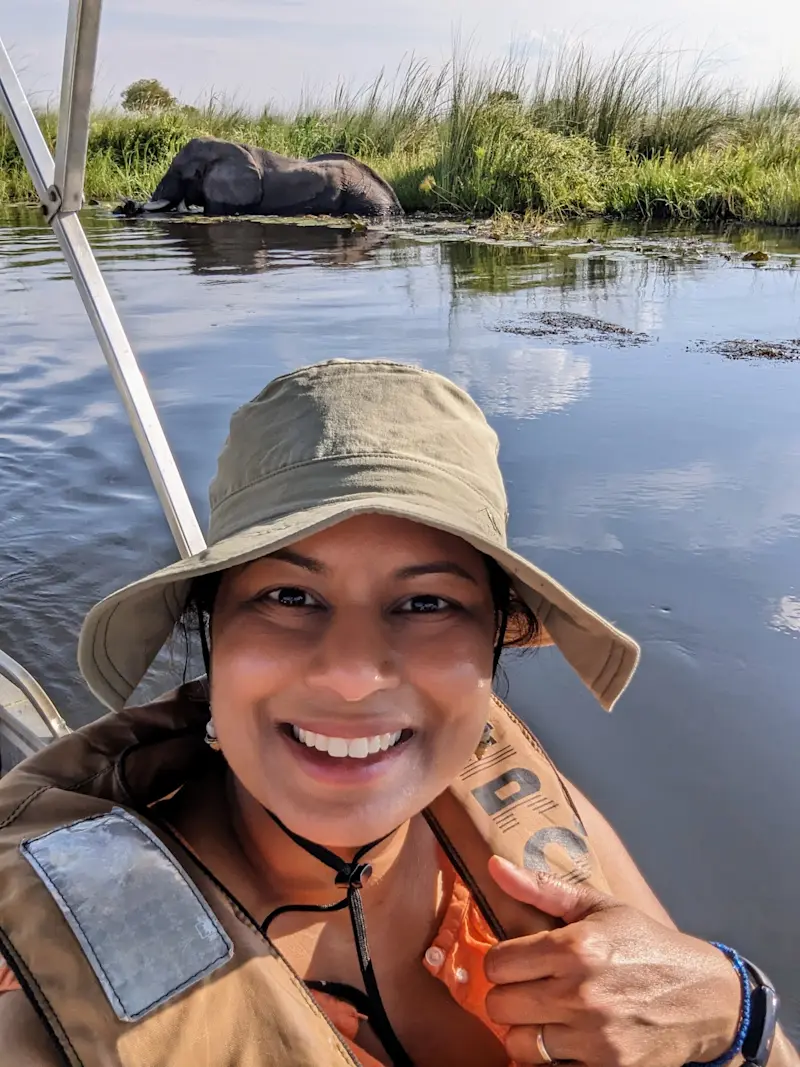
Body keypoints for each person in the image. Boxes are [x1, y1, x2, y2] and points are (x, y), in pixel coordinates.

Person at [0, 358, 795, 1067]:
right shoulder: (42, 997)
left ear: (493, 645)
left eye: (425, 602)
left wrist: (738, 1013)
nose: (352, 674)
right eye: (288, 595)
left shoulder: (518, 808)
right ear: (213, 635)